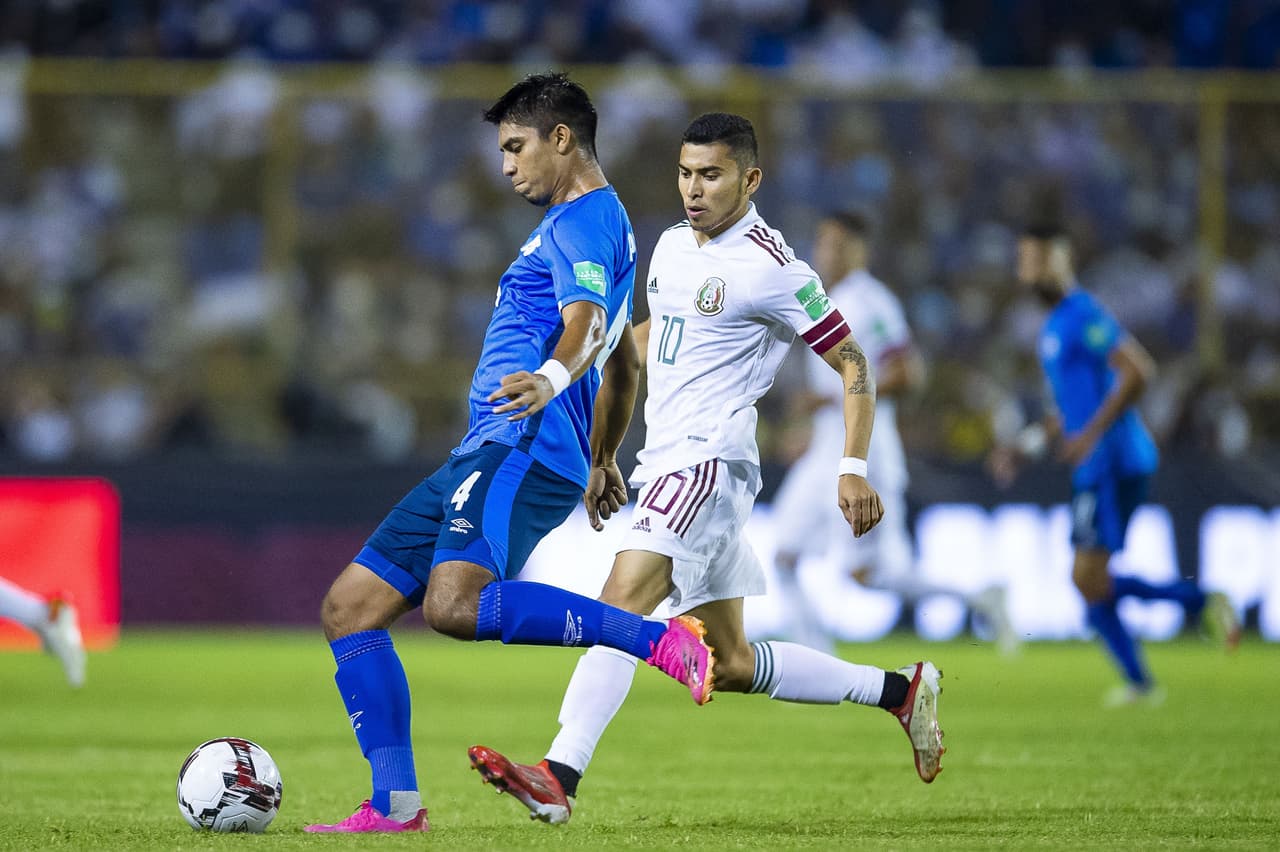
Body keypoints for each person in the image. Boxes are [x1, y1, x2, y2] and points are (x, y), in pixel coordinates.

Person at [466, 113, 945, 826]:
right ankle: (901, 692)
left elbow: (854, 364)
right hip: (668, 463)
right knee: (731, 663)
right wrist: (604, 449)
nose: (694, 189)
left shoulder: (774, 267)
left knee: (617, 605)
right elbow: (649, 342)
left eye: (712, 175)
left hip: (708, 463)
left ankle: (558, 775)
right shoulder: (668, 246)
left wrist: (851, 466)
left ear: (750, 179)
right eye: (686, 173)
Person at [304, 73, 716, 835]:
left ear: (562, 139)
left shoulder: (586, 219)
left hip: (521, 446)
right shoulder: (588, 224)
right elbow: (624, 362)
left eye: (515, 145)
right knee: (349, 608)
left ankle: (655, 638)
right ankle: (394, 803)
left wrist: (555, 380)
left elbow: (589, 327)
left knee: (453, 607)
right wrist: (604, 456)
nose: (506, 165)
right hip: (489, 449)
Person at [988, 223, 1240, 706]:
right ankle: (1163, 655)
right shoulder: (1054, 325)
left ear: (1062, 261)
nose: (1028, 271)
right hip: (1102, 458)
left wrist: (1091, 435)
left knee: (1087, 578)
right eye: (1024, 261)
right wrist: (1025, 445)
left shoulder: (1083, 313)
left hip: (1112, 459)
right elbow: (1068, 409)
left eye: (1037, 260)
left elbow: (1137, 368)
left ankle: (1190, 618)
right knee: (1090, 580)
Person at [770, 211, 1017, 654]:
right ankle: (817, 661)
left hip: (866, 453)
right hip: (825, 449)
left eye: (837, 243)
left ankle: (979, 599)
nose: (827, 252)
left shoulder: (871, 301)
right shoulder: (824, 300)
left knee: (870, 576)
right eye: (823, 242)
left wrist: (826, 403)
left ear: (859, 249)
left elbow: (908, 373)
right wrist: (814, 425)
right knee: (783, 554)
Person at [0, 577, 85, 687]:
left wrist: (52, 618)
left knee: (66, 647)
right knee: (58, 648)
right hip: (42, 620)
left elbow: (60, 599)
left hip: (50, 617)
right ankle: (75, 675)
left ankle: (76, 678)